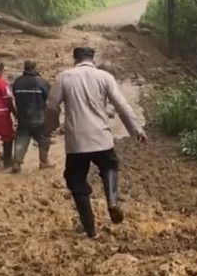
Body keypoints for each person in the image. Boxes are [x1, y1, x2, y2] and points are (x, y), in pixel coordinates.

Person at [45, 47, 147, 239]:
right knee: (109, 165)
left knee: (76, 182)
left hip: (76, 142)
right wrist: (136, 130)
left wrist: (50, 127)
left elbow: (52, 106)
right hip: (102, 138)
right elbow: (121, 105)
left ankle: (90, 229)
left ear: (74, 58)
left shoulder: (64, 77)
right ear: (93, 58)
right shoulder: (104, 77)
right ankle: (112, 201)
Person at [11, 60, 55, 173]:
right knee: (43, 138)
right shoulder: (41, 82)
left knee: (21, 137)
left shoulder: (17, 82)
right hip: (38, 116)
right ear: (35, 68)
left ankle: (16, 163)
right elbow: (49, 96)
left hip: (22, 116)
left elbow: (15, 96)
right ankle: (44, 162)